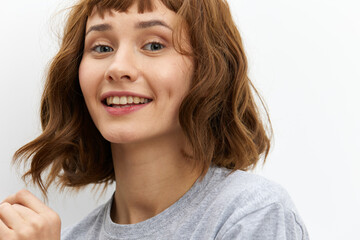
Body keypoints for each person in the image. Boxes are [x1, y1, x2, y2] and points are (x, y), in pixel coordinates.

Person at [0, 0, 309, 239]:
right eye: (102, 47)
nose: (118, 67)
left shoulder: (252, 213)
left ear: (209, 69)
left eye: (154, 45)